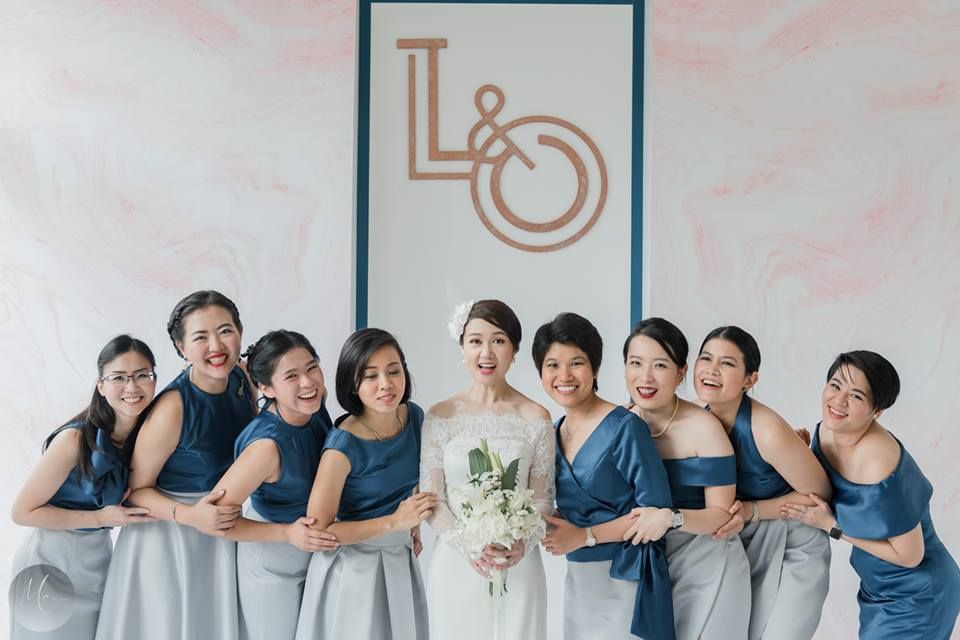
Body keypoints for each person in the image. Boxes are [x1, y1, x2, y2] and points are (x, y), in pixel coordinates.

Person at [96, 290, 254, 640]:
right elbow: (135, 491)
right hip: (169, 537)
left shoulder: (242, 380)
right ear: (181, 347)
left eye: (225, 331)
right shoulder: (173, 407)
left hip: (220, 528)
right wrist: (191, 516)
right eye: (200, 337)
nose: (216, 346)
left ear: (240, 332)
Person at [783, 350, 960, 639]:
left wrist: (832, 527)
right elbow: (826, 489)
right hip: (878, 588)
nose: (838, 401)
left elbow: (910, 556)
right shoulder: (828, 430)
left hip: (917, 593)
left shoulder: (878, 465)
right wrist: (798, 454)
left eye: (856, 396)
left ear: (877, 410)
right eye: (835, 385)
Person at [421, 300, 554, 640]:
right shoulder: (440, 416)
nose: (486, 352)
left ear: (514, 350)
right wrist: (467, 544)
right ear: (462, 347)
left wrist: (523, 542)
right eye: (476, 341)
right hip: (456, 563)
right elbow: (432, 499)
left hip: (518, 563)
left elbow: (543, 500)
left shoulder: (535, 418)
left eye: (498, 340)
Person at [10, 336, 158, 639]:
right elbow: (22, 512)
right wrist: (100, 518)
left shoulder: (147, 438)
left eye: (142, 375)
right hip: (48, 561)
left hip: (96, 561)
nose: (132, 387)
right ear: (101, 385)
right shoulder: (74, 440)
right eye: (119, 377)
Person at [536, 312, 673, 640]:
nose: (564, 375)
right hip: (579, 581)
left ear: (595, 368)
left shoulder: (625, 428)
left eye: (576, 363)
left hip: (626, 577)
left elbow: (655, 515)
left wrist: (585, 536)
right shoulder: (552, 433)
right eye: (553, 365)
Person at [296, 328, 434, 640]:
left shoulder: (413, 416)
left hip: (399, 557)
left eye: (393, 371)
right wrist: (393, 522)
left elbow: (414, 474)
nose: (386, 384)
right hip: (352, 569)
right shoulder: (342, 447)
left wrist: (413, 524)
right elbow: (319, 532)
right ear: (353, 384)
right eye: (371, 376)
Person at [695, 326, 831, 640]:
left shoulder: (766, 430)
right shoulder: (696, 417)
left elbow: (820, 496)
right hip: (740, 542)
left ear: (750, 379)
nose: (712, 370)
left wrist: (751, 510)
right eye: (706, 358)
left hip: (793, 542)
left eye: (727, 363)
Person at [620, 318, 750, 640]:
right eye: (636, 363)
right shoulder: (621, 423)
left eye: (660, 365)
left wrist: (670, 518)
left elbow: (722, 515)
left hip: (709, 563)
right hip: (651, 567)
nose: (645, 377)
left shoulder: (704, 427)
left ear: (680, 373)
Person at [210, 330, 337, 640]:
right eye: (291, 376)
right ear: (267, 388)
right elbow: (215, 520)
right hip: (271, 560)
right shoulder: (265, 447)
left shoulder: (314, 404)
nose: (308, 382)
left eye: (312, 367)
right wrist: (286, 533)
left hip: (313, 551)